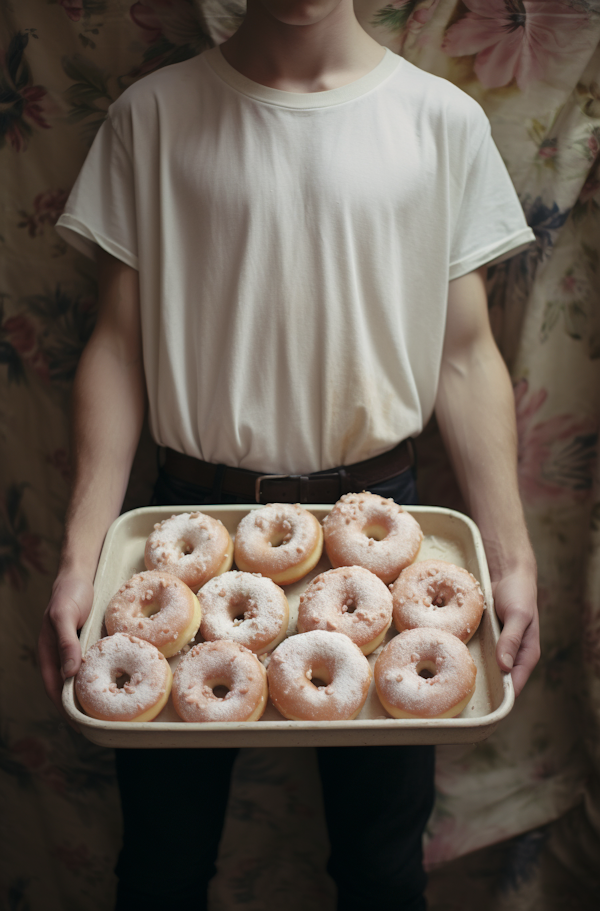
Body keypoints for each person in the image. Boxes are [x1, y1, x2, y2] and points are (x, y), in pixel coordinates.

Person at [38, 1, 540, 908]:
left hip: (387, 526)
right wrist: (81, 558)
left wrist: (509, 556)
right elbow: (115, 348)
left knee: (383, 869)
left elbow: (465, 356)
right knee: (160, 867)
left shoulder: (440, 120)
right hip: (185, 528)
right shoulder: (151, 115)